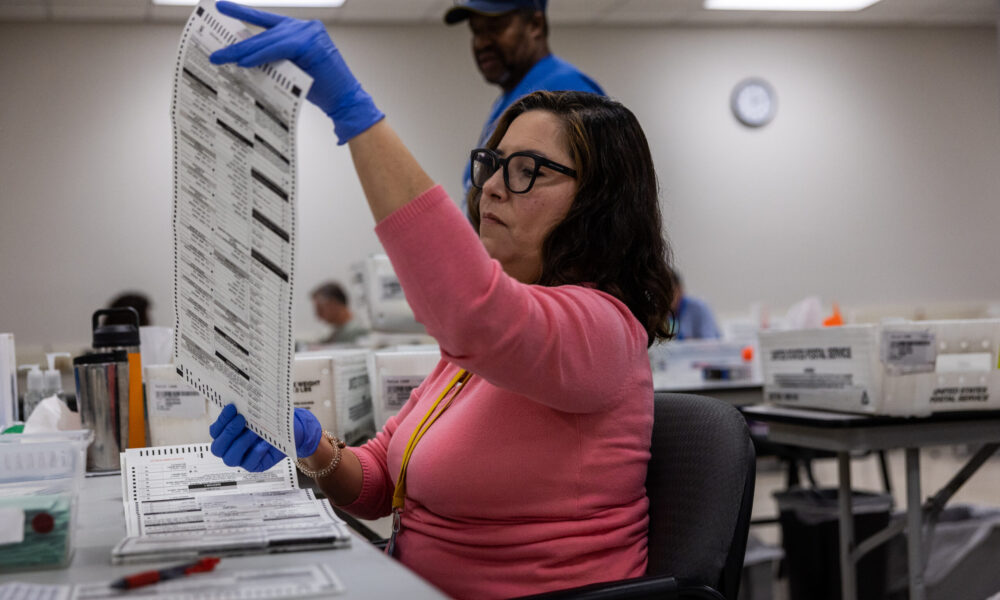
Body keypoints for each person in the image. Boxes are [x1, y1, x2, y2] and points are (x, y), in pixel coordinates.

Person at [205, 3, 675, 598]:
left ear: (599, 205)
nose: (494, 186)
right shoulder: (486, 350)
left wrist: (354, 112)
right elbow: (380, 480)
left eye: (528, 170)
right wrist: (307, 443)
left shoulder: (602, 330)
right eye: (494, 164)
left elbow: (472, 310)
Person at [444, 0, 605, 211]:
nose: (481, 43)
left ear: (535, 25)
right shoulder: (511, 97)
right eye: (476, 31)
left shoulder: (566, 92)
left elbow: (596, 207)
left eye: (495, 28)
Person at [670, 270, 721, 340]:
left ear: (679, 290)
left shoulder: (700, 308)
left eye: (670, 292)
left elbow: (710, 342)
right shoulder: (663, 314)